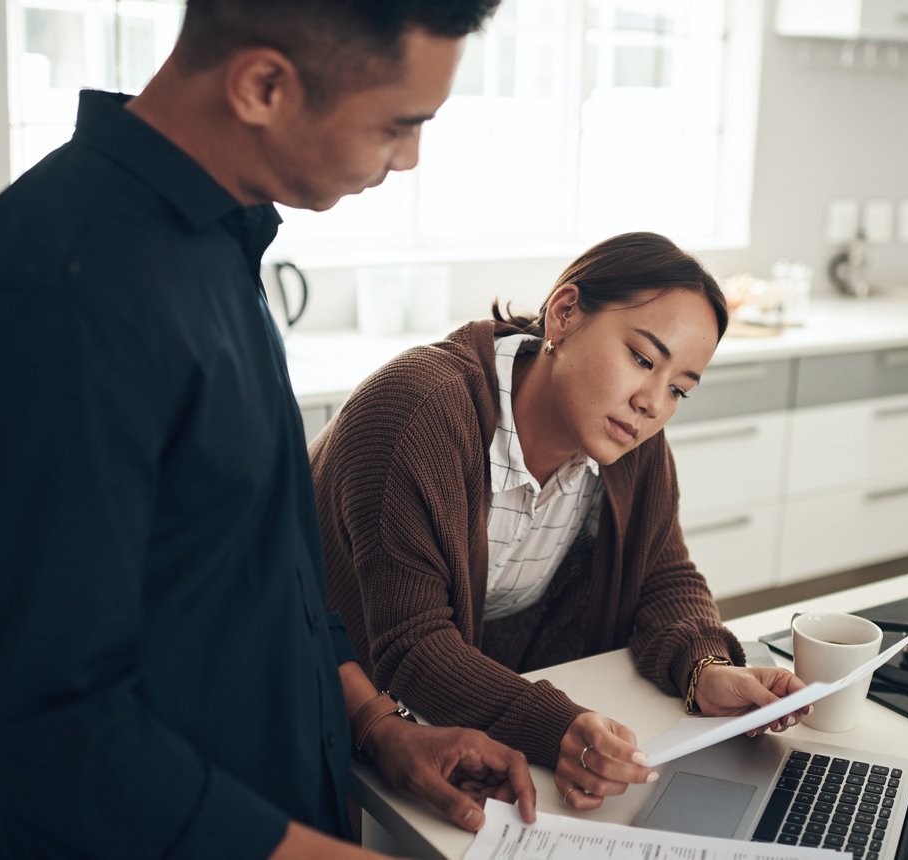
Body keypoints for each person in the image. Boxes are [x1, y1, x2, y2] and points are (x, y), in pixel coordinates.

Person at [0, 2, 536, 858]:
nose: (409, 158)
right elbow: (50, 731)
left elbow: (260, 572)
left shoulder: (215, 242)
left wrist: (377, 726)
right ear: (263, 85)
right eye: (400, 123)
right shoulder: (51, 295)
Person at [312, 232, 812, 812]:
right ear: (565, 313)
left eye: (678, 388)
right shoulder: (420, 412)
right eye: (642, 359)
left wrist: (706, 668)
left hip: (469, 713)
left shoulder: (630, 438)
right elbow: (412, 644)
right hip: (337, 704)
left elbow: (663, 574)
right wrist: (558, 727)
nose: (653, 402)